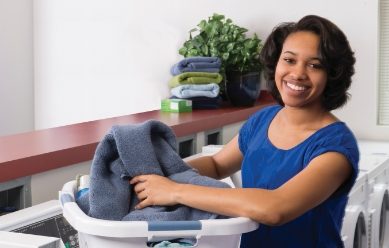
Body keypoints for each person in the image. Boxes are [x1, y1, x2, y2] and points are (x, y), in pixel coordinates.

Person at [130, 15, 359, 247]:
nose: (298, 73)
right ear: (276, 63)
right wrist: (162, 173)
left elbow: (275, 208)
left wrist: (176, 191)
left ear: (332, 75)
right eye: (289, 60)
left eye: (314, 65)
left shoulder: (335, 149)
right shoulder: (263, 120)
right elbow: (217, 165)